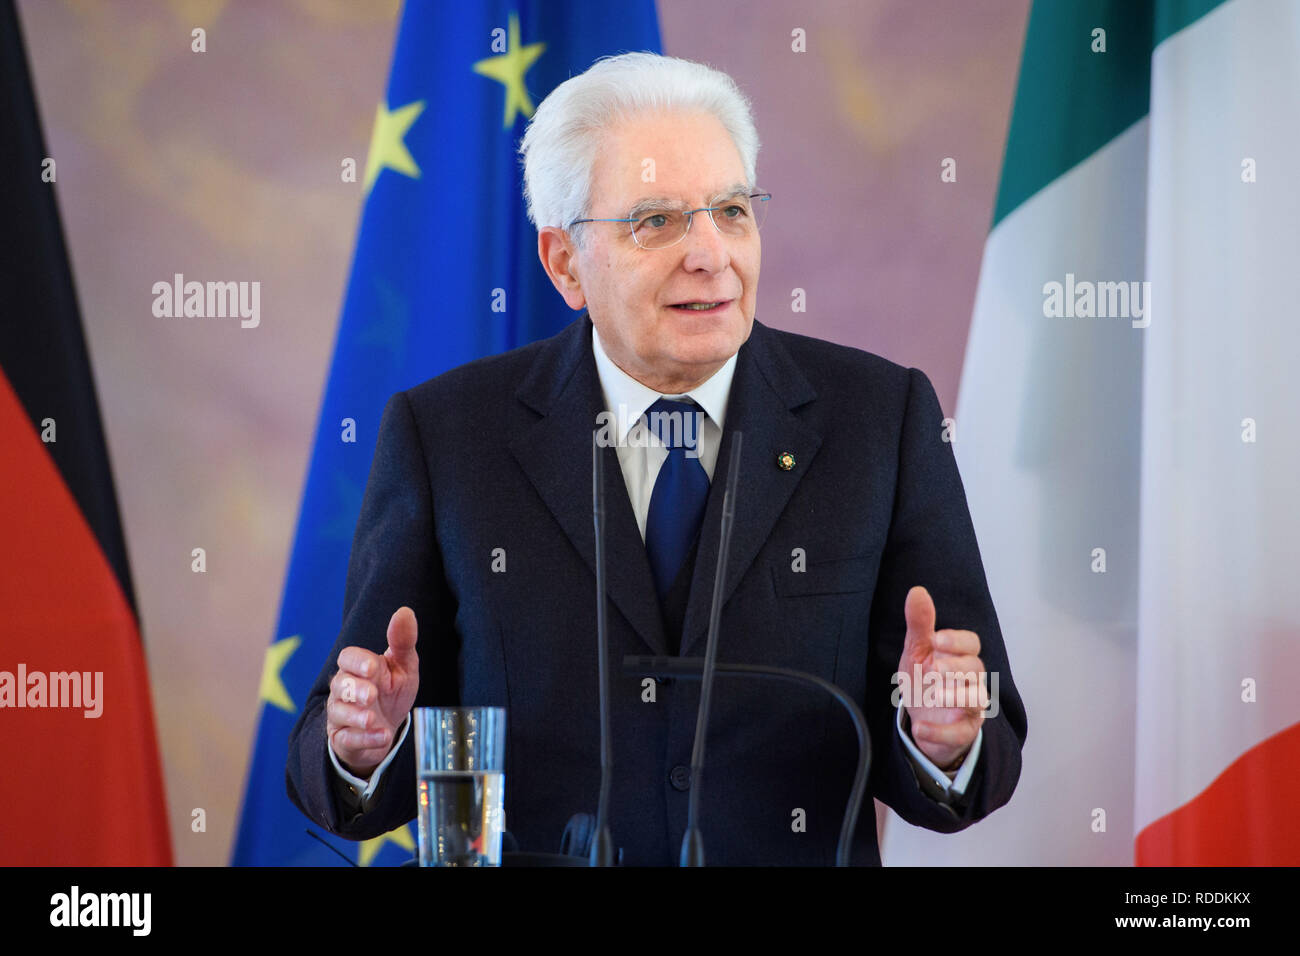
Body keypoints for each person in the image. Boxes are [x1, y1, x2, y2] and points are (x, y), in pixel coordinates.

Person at [285, 52, 1026, 866]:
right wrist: (363, 744)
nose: (711, 254)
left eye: (732, 211)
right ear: (565, 262)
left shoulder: (881, 422)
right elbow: (339, 769)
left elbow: (983, 757)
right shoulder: (448, 435)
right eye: (657, 221)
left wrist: (946, 735)